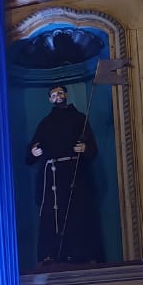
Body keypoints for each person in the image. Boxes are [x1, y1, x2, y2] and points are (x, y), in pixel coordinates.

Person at [25, 83, 102, 265]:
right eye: (53, 94)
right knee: (51, 216)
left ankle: (76, 252)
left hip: (74, 176)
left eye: (60, 92)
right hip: (52, 177)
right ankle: (50, 254)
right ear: (49, 99)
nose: (57, 96)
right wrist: (33, 152)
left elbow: (91, 147)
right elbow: (33, 148)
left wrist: (85, 148)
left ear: (66, 95)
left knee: (75, 213)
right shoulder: (45, 123)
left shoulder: (79, 118)